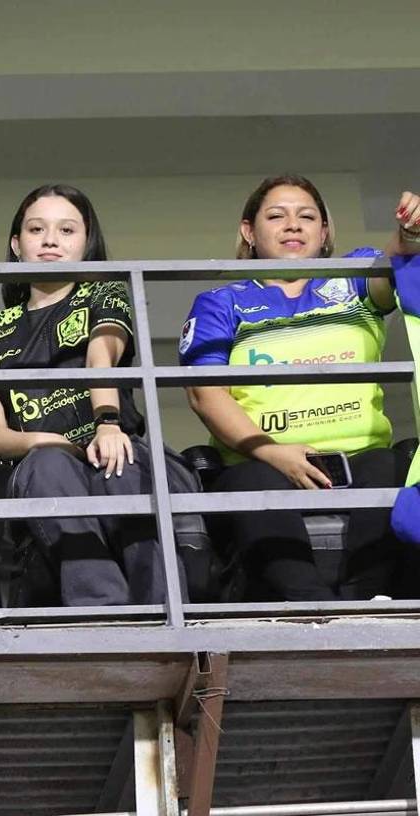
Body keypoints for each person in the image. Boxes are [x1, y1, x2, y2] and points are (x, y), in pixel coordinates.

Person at [180, 175, 420, 601]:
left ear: (324, 233)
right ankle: (314, 607)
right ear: (249, 232)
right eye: (277, 216)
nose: (293, 225)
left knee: (392, 468)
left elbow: (396, 260)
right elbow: (205, 393)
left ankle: (365, 604)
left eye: (307, 216)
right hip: (262, 461)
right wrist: (276, 454)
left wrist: (409, 230)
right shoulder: (222, 302)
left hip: (362, 459)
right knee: (252, 483)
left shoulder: (353, 276)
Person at [0, 183, 196, 607]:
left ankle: (164, 612)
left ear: (86, 243)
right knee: (49, 464)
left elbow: (100, 358)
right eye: (37, 229)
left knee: (121, 464)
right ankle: (105, 612)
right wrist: (39, 441)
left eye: (67, 230)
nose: (50, 239)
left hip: (112, 443)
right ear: (17, 244)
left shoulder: (103, 293)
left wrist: (107, 424)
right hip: (40, 465)